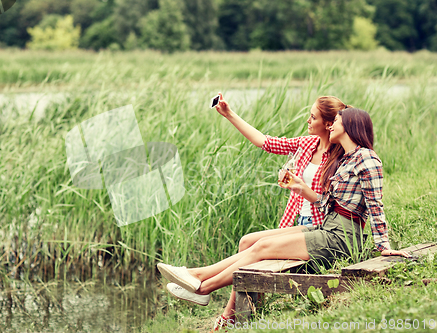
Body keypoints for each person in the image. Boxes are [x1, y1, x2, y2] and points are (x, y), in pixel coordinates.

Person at [158, 107, 411, 331]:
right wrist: (301, 187)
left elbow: (376, 204)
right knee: (255, 243)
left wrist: (384, 246)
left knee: (263, 248)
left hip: (341, 238)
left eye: (337, 121)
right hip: (326, 227)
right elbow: (326, 203)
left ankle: (201, 286)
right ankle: (197, 279)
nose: (332, 125)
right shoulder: (345, 159)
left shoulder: (367, 159)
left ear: (351, 126)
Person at [214, 92, 349, 228]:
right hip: (296, 220)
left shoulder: (341, 156)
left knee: (258, 245)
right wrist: (229, 114)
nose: (308, 120)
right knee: (250, 243)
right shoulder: (306, 144)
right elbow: (265, 142)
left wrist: (301, 188)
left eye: (313, 117)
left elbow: (335, 204)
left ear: (328, 124)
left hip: (320, 225)